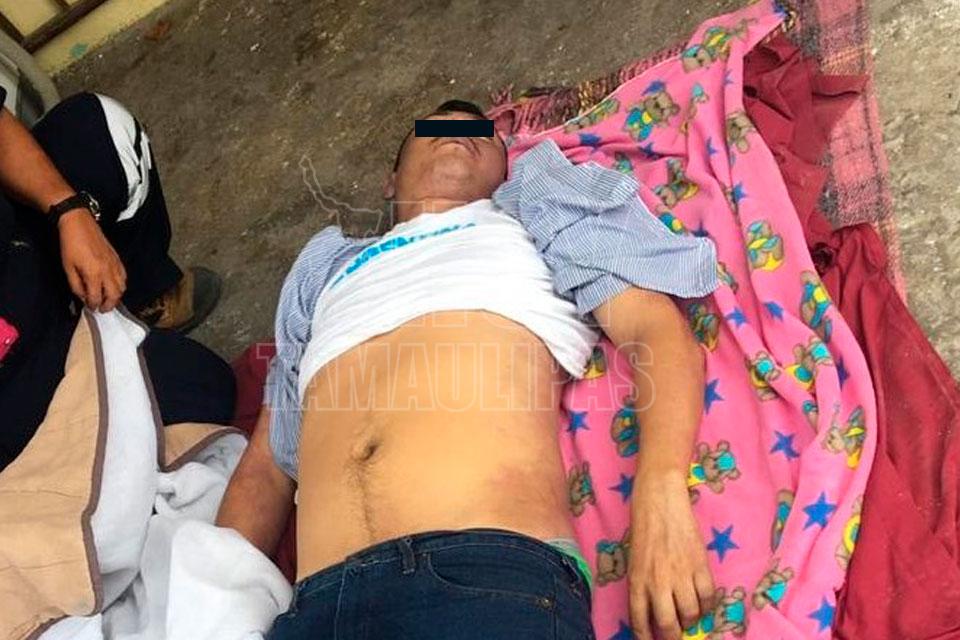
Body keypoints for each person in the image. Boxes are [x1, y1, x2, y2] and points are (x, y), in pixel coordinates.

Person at [217, 100, 718, 640]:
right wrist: (211, 609)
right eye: (433, 128)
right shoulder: (323, 275)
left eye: (482, 132)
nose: (458, 133)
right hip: (318, 609)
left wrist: (661, 497)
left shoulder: (532, 213)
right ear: (390, 181)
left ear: (506, 168)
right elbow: (265, 468)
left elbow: (655, 332)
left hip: (485, 574)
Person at [0, 90, 235, 471]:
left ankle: (136, 301)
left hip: (18, 252)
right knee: (206, 391)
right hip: (12, 367)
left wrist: (67, 210)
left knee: (96, 130)